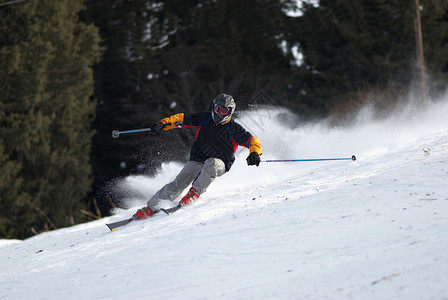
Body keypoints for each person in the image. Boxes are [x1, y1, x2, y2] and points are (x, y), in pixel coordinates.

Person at [134, 94, 262, 219]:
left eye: (223, 110)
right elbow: (181, 119)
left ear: (230, 111)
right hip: (198, 159)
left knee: (211, 163)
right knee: (178, 183)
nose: (219, 113)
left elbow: (252, 141)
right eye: (217, 108)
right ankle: (151, 207)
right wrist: (162, 123)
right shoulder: (204, 118)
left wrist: (254, 153)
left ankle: (193, 194)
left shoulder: (234, 129)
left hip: (220, 163)